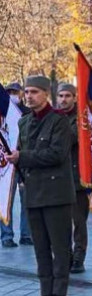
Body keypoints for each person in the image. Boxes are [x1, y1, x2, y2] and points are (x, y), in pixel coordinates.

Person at [7, 76, 76, 296]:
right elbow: (23, 152)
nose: (29, 96)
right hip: (34, 192)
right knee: (41, 248)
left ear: (47, 94)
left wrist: (22, 158)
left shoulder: (59, 121)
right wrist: (21, 169)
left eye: (34, 92)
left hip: (57, 193)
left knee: (60, 246)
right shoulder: (25, 122)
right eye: (26, 92)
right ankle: (45, 294)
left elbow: (56, 154)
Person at [55, 83, 89, 274]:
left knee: (78, 221)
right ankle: (64, 256)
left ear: (75, 98)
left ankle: (78, 257)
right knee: (60, 222)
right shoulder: (54, 117)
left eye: (67, 95)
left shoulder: (81, 119)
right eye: (60, 96)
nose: (63, 100)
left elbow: (70, 139)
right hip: (57, 178)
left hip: (77, 178)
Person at [1, 82, 32, 248]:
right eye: (9, 92)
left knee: (27, 200)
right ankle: (6, 235)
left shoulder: (28, 113)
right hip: (6, 164)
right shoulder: (2, 112)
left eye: (15, 92)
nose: (12, 94)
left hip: (24, 160)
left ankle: (26, 234)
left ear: (20, 94)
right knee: (6, 199)